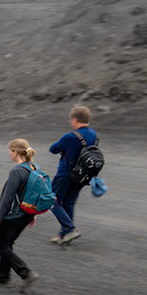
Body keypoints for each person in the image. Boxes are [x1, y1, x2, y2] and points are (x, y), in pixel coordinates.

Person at [46, 105, 100, 245]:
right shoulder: (94, 135)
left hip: (65, 174)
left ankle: (70, 229)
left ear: (75, 119)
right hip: (82, 176)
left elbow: (53, 149)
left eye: (72, 120)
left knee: (52, 200)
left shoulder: (70, 136)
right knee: (68, 203)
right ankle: (63, 235)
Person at [0, 139, 39, 290]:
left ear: (15, 152)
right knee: (8, 243)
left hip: (14, 215)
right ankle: (3, 276)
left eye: (10, 151)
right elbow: (35, 193)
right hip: (27, 214)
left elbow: (7, 197)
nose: (9, 154)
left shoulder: (17, 171)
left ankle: (26, 273)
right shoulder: (34, 167)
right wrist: (33, 214)